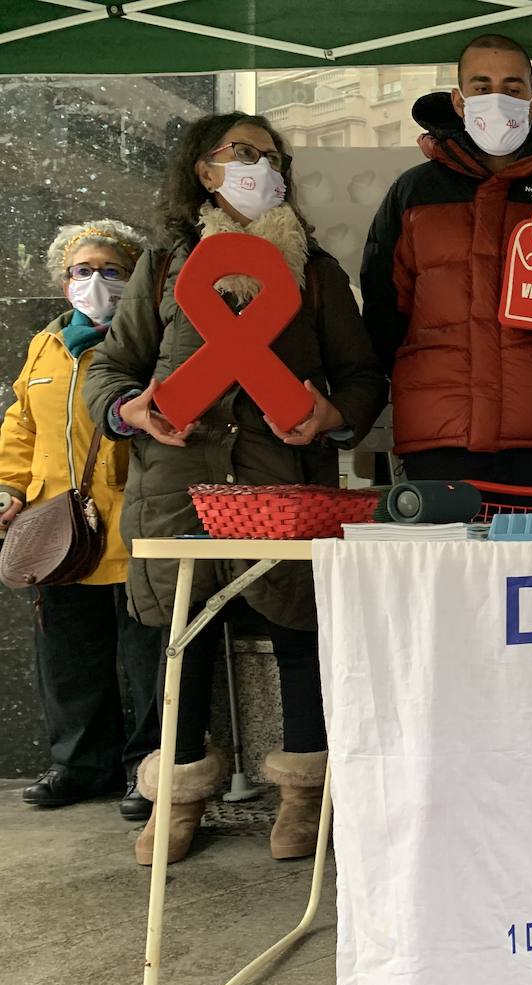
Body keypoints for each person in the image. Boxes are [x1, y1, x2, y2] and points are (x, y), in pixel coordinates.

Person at [83, 113, 387, 866]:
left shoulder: (313, 273)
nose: (261, 165)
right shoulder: (164, 266)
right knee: (181, 641)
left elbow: (362, 376)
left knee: (297, 635)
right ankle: (178, 796)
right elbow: (107, 372)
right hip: (180, 488)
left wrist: (334, 415)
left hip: (283, 487)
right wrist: (133, 410)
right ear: (204, 171)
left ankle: (304, 794)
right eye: (242, 153)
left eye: (272, 155)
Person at [361, 33, 532, 491]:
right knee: (447, 565)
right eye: (481, 86)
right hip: (440, 439)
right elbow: (382, 313)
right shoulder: (413, 194)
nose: (496, 99)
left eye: (512, 89)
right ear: (458, 100)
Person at [0, 220, 160, 820]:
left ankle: (147, 769)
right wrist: (8, 486)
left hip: (129, 515)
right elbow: (22, 422)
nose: (94, 282)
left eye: (111, 270)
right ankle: (80, 765)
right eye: (81, 270)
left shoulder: (147, 338)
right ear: (62, 280)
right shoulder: (46, 343)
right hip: (55, 524)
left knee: (147, 652)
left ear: (136, 276)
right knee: (67, 653)